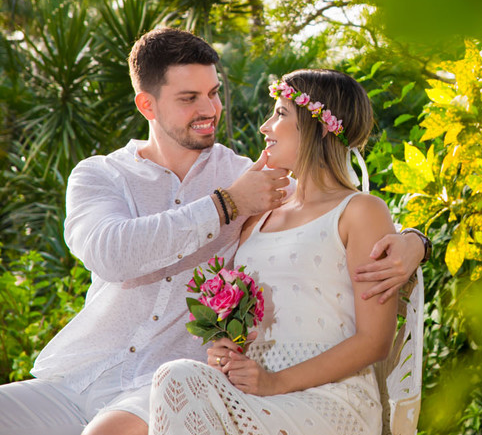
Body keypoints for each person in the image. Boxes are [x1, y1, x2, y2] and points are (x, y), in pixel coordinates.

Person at [0, 28, 428, 435]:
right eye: (189, 98)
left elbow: (329, 209)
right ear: (147, 105)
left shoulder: (253, 182)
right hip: (78, 378)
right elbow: (112, 253)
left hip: (165, 388)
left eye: (213, 93)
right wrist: (225, 205)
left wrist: (416, 243)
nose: (209, 110)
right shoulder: (102, 175)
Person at [148, 69, 399, 435]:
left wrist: (275, 383)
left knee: (178, 379)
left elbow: (375, 341)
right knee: (177, 378)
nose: (265, 127)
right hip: (256, 394)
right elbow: (251, 320)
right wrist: (228, 348)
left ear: (320, 127)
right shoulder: (259, 217)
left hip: (331, 400)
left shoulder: (360, 211)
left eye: (281, 113)